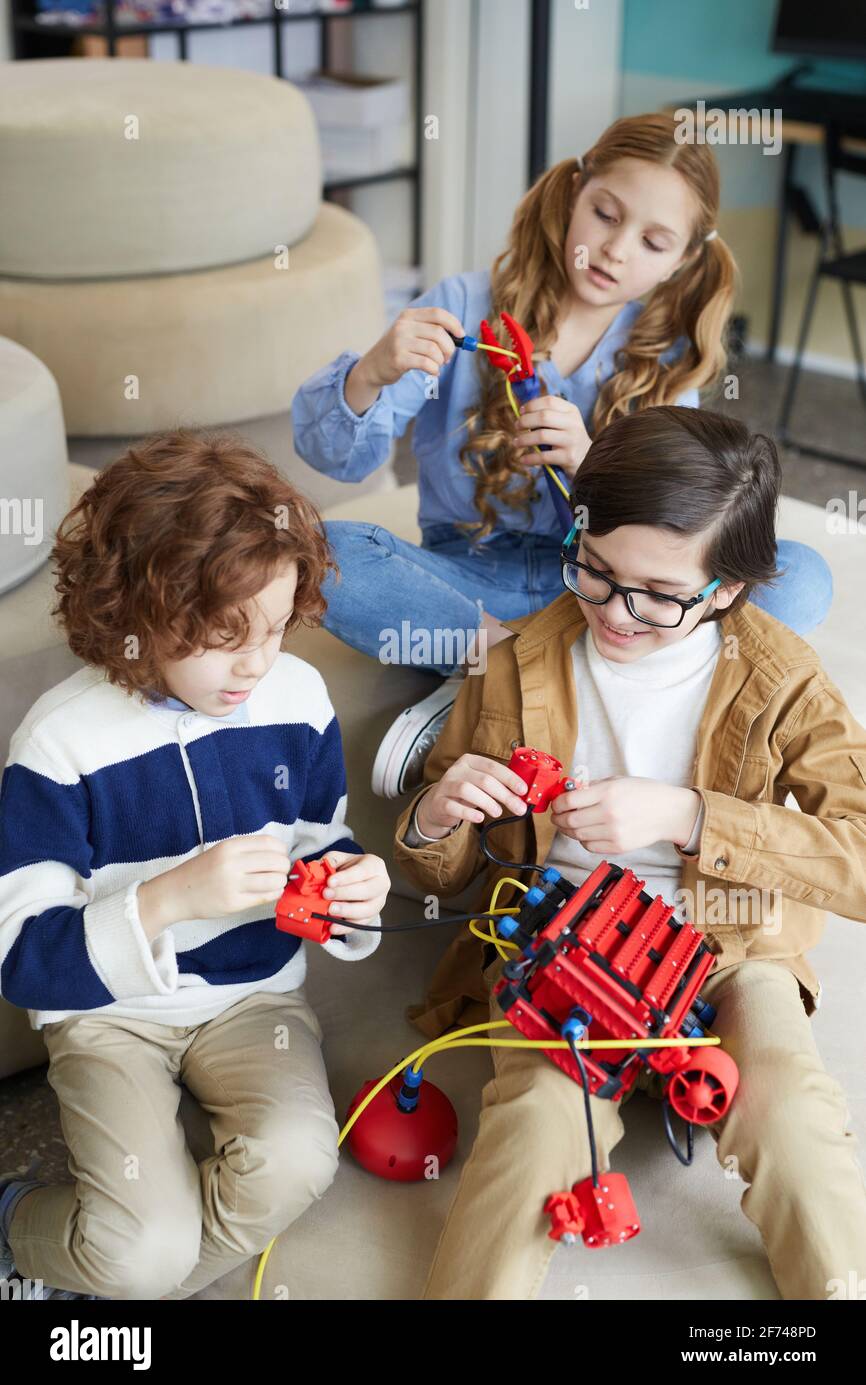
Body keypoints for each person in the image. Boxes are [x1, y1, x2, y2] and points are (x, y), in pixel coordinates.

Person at [392, 406, 866, 1300]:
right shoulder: (516, 662)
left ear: (725, 589)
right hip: (561, 947)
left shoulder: (783, 676)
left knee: (794, 1121)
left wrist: (692, 817)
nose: (616, 612)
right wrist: (434, 817)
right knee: (535, 1128)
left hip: (726, 944)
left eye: (656, 594)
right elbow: (438, 868)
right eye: (596, 572)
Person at [291, 113, 833, 798]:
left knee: (802, 577)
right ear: (574, 192)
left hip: (604, 589)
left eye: (653, 241)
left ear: (685, 259)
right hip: (469, 578)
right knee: (326, 552)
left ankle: (501, 688)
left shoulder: (671, 357)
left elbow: (682, 519)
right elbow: (332, 457)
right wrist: (370, 372)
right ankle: (537, 676)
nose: (614, 250)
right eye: (604, 214)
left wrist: (593, 467)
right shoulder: (463, 305)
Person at [0, 431, 389, 1301]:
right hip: (109, 1016)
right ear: (131, 615)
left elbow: (320, 842)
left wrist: (354, 885)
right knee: (140, 1249)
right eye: (222, 637)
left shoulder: (295, 698)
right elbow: (23, 957)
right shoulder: (59, 745)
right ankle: (19, 1223)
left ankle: (118, 1275)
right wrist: (170, 898)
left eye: (279, 629)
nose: (255, 664)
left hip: (255, 1001)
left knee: (294, 1166)